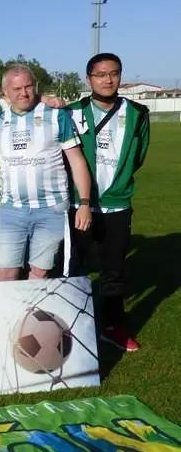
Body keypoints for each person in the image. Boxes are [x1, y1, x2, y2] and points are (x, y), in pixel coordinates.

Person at [67, 53, 150, 352]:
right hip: (78, 204)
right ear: (89, 78)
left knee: (114, 270)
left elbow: (139, 156)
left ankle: (113, 328)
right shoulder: (71, 112)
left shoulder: (138, 113)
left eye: (113, 73)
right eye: (100, 74)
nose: (107, 79)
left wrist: (118, 182)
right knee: (73, 266)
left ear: (120, 76)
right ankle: (70, 325)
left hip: (117, 205)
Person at [0, 64, 92, 281]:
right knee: (5, 274)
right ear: (5, 93)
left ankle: (32, 306)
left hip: (51, 209)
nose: (24, 93)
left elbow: (77, 161)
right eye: (17, 89)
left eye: (28, 86)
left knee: (40, 273)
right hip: (10, 209)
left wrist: (85, 203)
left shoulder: (56, 116)